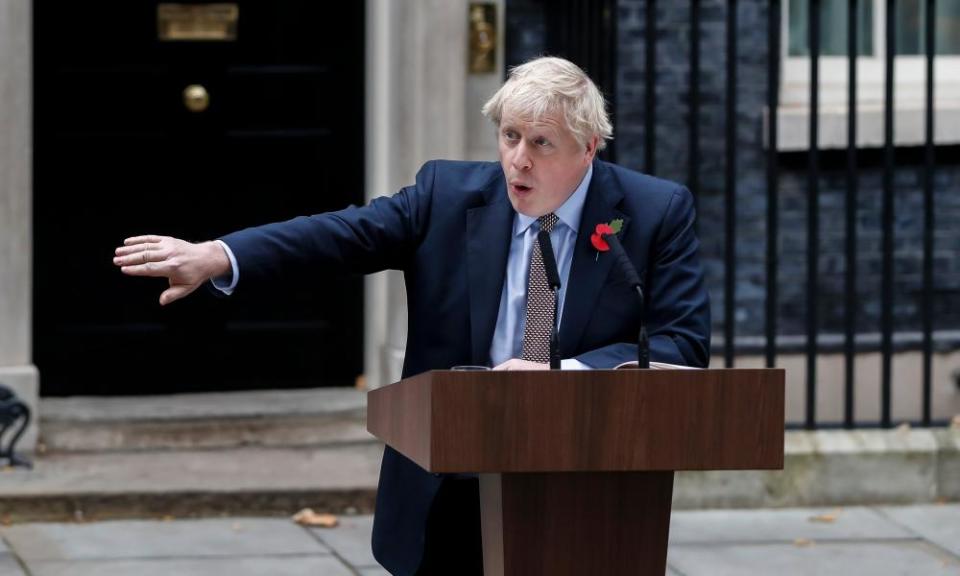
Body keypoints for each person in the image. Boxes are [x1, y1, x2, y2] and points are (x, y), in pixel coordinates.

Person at [113, 56, 710, 576]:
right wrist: (220, 255)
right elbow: (341, 234)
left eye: (541, 143)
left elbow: (681, 343)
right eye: (509, 136)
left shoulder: (654, 213)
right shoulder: (446, 195)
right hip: (450, 479)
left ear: (588, 148)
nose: (517, 161)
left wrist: (567, 376)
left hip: (583, 483)